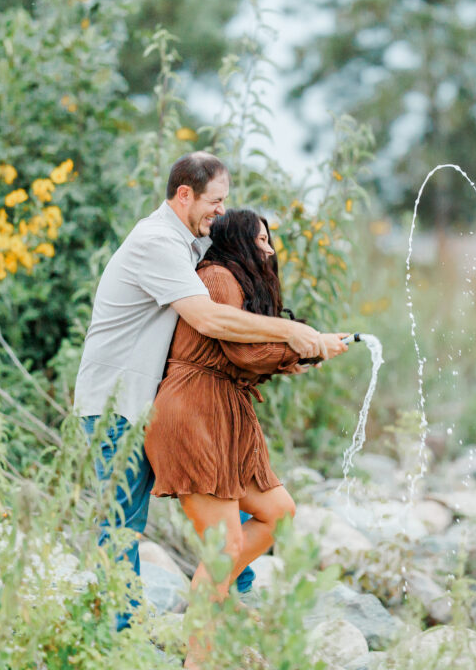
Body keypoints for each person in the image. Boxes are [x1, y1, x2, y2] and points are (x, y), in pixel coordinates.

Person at [73, 152, 339, 628]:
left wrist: (285, 353)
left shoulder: (188, 244)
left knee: (221, 517)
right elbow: (210, 319)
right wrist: (287, 333)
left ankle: (226, 594)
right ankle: (116, 641)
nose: (221, 211)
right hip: (116, 401)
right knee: (121, 527)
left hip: (150, 402)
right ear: (184, 195)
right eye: (215, 201)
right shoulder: (157, 242)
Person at [143, 209, 347, 669]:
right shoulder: (217, 278)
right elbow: (244, 349)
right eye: (261, 240)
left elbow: (249, 355)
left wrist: (310, 350)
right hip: (192, 412)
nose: (270, 250)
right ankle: (199, 656)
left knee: (279, 513)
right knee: (225, 547)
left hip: (222, 411)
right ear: (237, 241)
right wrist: (301, 343)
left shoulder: (232, 280)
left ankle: (213, 603)